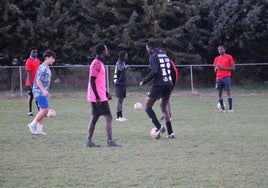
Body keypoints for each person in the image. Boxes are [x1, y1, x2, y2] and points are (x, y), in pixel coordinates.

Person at [86, 43, 122, 147]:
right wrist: (97, 97)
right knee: (108, 117)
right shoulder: (96, 63)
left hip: (100, 95)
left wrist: (105, 93)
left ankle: (88, 141)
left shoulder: (100, 63)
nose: (107, 51)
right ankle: (110, 141)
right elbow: (92, 81)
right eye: (106, 49)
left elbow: (98, 82)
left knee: (95, 118)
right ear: (102, 52)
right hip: (97, 97)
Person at [139, 40, 174, 139]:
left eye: (147, 49)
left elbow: (154, 71)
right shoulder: (165, 55)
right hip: (169, 83)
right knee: (164, 108)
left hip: (159, 84)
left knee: (147, 106)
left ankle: (159, 127)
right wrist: (171, 83)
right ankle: (171, 133)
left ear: (150, 48)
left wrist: (144, 81)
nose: (147, 51)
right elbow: (172, 70)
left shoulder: (153, 57)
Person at [27, 49, 56, 135]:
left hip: (42, 91)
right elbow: (38, 80)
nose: (53, 60)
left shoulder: (46, 67)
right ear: (47, 58)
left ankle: (39, 130)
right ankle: (32, 124)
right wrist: (44, 90)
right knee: (45, 109)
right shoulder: (43, 67)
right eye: (52, 58)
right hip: (39, 91)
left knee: (42, 110)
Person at [213, 45, 235, 112]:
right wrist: (216, 68)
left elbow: (233, 68)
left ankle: (230, 109)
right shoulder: (216, 58)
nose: (220, 50)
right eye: (219, 49)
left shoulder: (229, 57)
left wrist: (222, 68)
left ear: (224, 49)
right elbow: (215, 70)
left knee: (228, 92)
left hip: (226, 77)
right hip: (218, 78)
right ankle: (222, 109)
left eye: (221, 49)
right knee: (219, 93)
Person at [113, 51, 128, 122]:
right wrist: (125, 67)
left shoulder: (122, 63)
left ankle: (121, 116)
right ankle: (118, 116)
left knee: (121, 100)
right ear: (123, 56)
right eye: (126, 56)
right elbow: (121, 68)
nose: (126, 57)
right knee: (119, 100)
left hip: (122, 83)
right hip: (119, 83)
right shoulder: (119, 63)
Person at [25, 47, 40, 116]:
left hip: (37, 82)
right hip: (30, 83)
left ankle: (40, 111)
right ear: (31, 53)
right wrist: (31, 84)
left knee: (38, 96)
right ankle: (29, 112)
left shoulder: (38, 60)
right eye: (33, 52)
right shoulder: (28, 61)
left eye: (36, 52)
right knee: (31, 97)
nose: (35, 53)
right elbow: (28, 73)